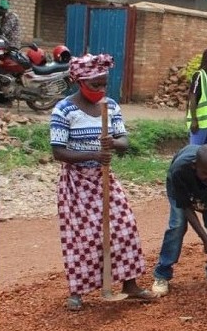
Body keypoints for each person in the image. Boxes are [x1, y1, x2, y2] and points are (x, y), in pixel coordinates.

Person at [50, 53, 157, 311]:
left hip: (103, 179)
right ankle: (78, 291)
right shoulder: (64, 109)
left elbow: (124, 142)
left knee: (124, 226)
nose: (100, 89)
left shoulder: (110, 106)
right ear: (79, 82)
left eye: (103, 84)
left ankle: (129, 284)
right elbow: (58, 152)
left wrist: (114, 144)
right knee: (82, 237)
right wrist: (93, 154)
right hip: (76, 183)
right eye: (94, 84)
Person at [151, 144, 207, 296]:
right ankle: (162, 274)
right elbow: (186, 208)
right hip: (184, 190)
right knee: (177, 225)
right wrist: (206, 240)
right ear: (194, 166)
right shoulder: (179, 171)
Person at [186, 47, 207, 145]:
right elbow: (192, 98)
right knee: (195, 151)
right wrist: (194, 120)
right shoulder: (199, 75)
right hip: (199, 122)